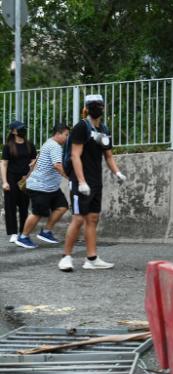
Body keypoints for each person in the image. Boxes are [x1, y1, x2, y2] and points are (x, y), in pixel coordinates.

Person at [58, 95, 126, 272]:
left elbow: (108, 156)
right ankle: (66, 257)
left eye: (100, 105)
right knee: (79, 217)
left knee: (93, 218)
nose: (97, 108)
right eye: (93, 105)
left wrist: (117, 172)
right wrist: (81, 181)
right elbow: (75, 155)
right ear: (87, 108)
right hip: (80, 180)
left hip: (96, 181)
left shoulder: (104, 129)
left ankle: (92, 259)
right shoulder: (81, 127)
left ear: (103, 107)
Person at [14, 123, 71, 249]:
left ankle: (46, 232)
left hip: (51, 187)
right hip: (40, 186)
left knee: (62, 207)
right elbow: (57, 165)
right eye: (66, 135)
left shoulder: (49, 142)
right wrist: (70, 177)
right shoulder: (54, 146)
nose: (67, 138)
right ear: (58, 134)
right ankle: (23, 237)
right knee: (37, 213)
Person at [1, 121, 36, 243]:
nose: (22, 130)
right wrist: (4, 182)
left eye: (23, 128)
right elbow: (4, 164)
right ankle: (13, 233)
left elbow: (34, 159)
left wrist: (32, 166)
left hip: (25, 179)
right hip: (11, 178)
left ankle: (23, 231)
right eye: (19, 129)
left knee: (24, 206)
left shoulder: (29, 145)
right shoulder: (8, 146)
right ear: (13, 131)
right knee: (10, 206)